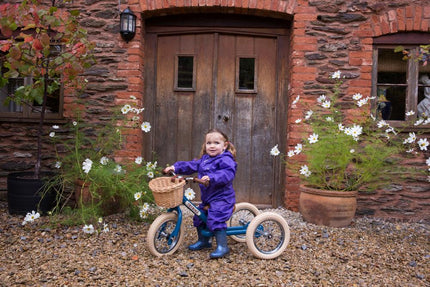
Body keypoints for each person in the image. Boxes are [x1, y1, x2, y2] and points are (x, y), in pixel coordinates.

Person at [163, 128, 237, 259]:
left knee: (216, 218)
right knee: (198, 216)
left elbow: (227, 173)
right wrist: (175, 167)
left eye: (216, 143)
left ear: (224, 145)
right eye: (209, 143)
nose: (212, 146)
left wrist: (212, 177)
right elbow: (191, 165)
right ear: (205, 145)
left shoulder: (226, 159)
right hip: (209, 199)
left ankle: (223, 247)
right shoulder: (205, 159)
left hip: (222, 199)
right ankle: (204, 241)